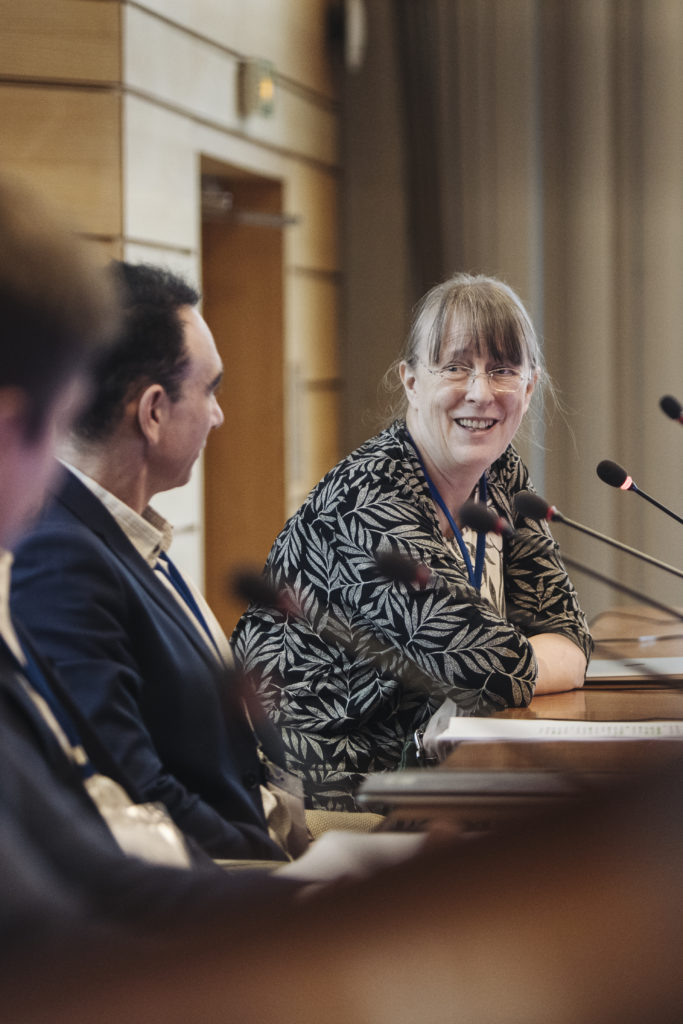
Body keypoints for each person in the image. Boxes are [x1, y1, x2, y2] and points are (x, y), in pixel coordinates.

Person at [232, 274, 591, 810]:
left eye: (502, 370)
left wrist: (529, 660)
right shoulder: (365, 502)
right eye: (455, 367)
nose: (481, 392)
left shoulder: (500, 473)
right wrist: (526, 661)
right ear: (411, 382)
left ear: (530, 386)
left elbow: (567, 632)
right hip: (332, 796)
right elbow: (487, 664)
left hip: (438, 769)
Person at [11, 260, 292, 862]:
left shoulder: (127, 534)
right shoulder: (61, 557)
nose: (218, 414)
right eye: (210, 389)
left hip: (264, 838)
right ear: (154, 412)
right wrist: (282, 873)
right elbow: (138, 792)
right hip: (221, 878)